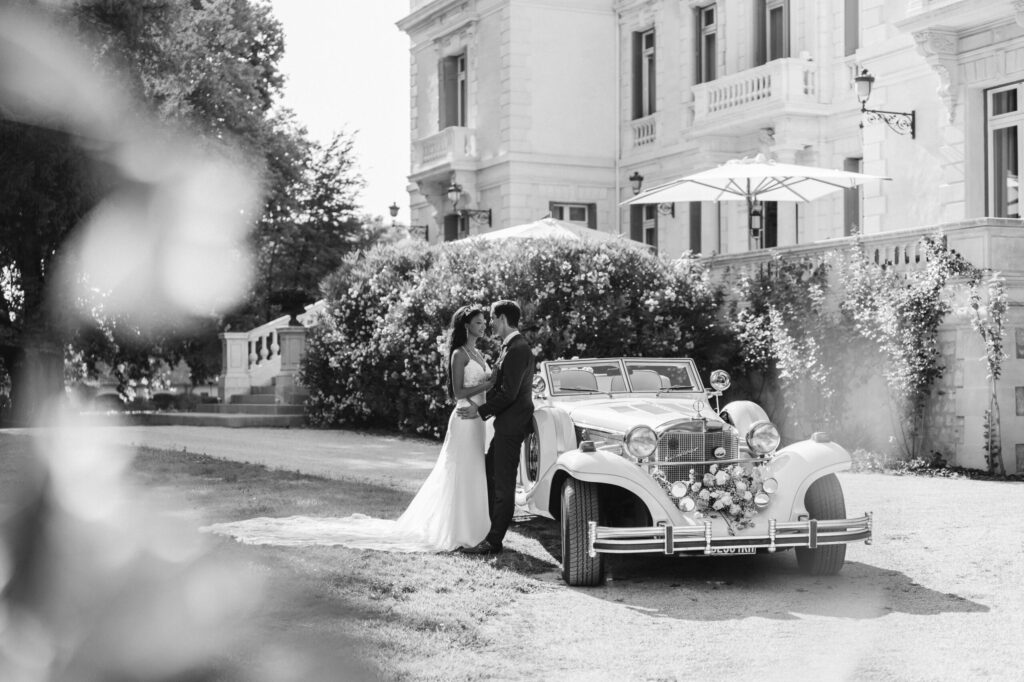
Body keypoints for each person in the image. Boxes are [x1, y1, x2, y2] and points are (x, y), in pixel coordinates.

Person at [200, 305, 494, 552]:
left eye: (484, 323)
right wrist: (489, 384)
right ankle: (459, 532)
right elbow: (456, 392)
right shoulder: (459, 354)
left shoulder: (479, 354)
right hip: (464, 417)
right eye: (479, 323)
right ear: (467, 325)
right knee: (459, 472)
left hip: (478, 418)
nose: (483, 327)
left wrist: (489, 393)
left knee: (472, 471)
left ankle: (474, 528)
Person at [456, 300, 535, 556]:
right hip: (506, 424)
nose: (489, 323)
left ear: (502, 318)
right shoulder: (510, 347)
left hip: (511, 426)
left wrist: (480, 411)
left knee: (502, 485)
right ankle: (487, 531)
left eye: (491, 317)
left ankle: (494, 541)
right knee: (490, 474)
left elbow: (509, 394)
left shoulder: (518, 349)